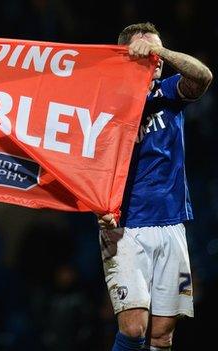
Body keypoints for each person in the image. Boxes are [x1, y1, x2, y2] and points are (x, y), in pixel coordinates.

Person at [98, 22, 212, 351]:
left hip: (171, 223)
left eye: (157, 52)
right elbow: (87, 162)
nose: (155, 59)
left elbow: (203, 77)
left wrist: (158, 50)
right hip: (122, 227)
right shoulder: (103, 104)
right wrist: (99, 208)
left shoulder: (169, 92)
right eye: (144, 50)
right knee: (134, 329)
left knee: (163, 334)